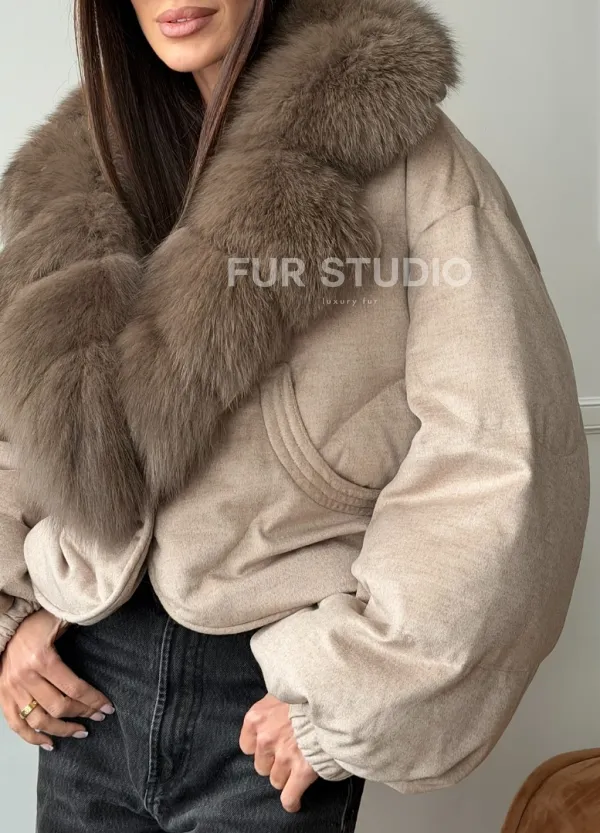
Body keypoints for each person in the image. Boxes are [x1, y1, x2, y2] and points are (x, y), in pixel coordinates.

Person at [0, 0, 590, 830]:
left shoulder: (403, 158)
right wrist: (12, 618)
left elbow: (498, 446)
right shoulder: (78, 171)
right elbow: (16, 412)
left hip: (267, 691)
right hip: (87, 673)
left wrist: (352, 691)